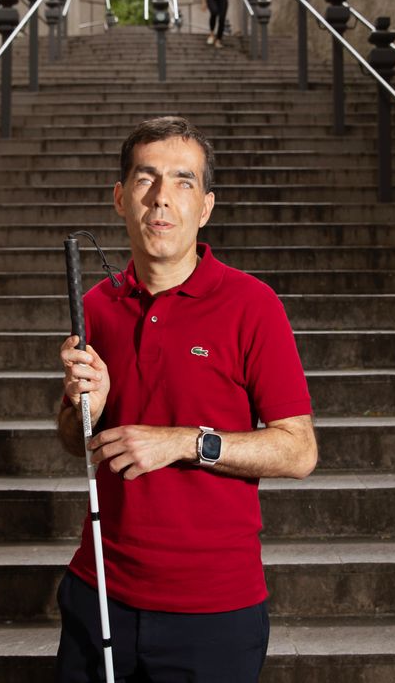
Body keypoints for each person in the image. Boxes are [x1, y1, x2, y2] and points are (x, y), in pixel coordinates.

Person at [56, 116, 317, 682]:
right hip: (99, 589)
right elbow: (72, 439)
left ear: (205, 207)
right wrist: (84, 405)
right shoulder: (97, 305)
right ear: (120, 198)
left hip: (215, 609)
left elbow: (298, 452)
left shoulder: (253, 305)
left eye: (183, 181)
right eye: (147, 179)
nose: (162, 198)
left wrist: (183, 442)